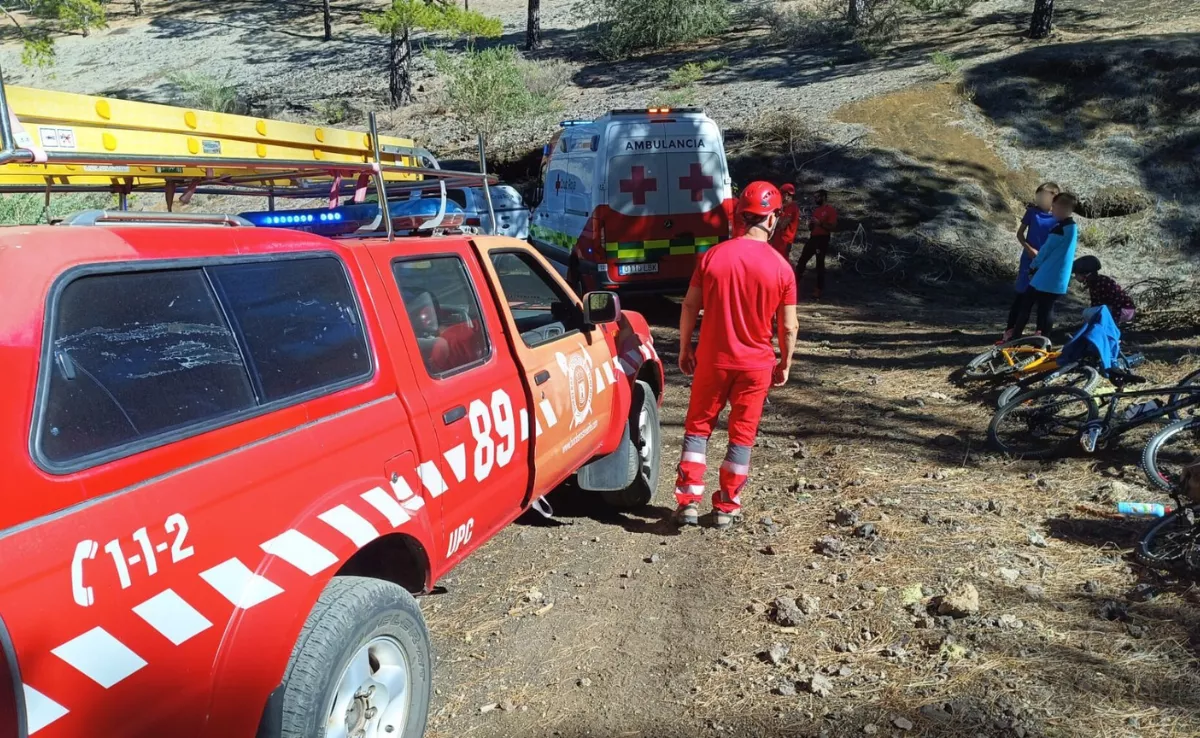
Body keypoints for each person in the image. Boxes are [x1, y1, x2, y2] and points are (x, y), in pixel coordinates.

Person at [674, 181, 799, 530]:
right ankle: (727, 505)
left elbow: (689, 305)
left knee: (698, 430)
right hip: (756, 366)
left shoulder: (713, 256)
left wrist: (685, 347)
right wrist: (785, 362)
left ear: (743, 216)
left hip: (712, 360)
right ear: (772, 219)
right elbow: (788, 327)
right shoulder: (781, 268)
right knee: (741, 436)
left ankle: (688, 501)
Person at [1010, 192, 1080, 339]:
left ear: (1061, 208)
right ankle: (1043, 339)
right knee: (1046, 308)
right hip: (1058, 279)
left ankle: (1015, 337)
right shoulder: (1072, 227)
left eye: (1054, 207)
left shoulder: (1059, 229)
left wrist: (1033, 267)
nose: (1052, 210)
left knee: (1027, 303)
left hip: (1045, 277)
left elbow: (1045, 252)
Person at [1000, 182, 1061, 343]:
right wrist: (1028, 248)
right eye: (1038, 196)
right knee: (1022, 295)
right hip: (1029, 260)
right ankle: (1010, 330)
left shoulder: (1059, 217)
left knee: (1044, 300)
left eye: (1044, 196)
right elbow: (1020, 234)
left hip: (1047, 262)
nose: (1040, 200)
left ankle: (1041, 333)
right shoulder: (1032, 213)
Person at [796, 189, 837, 300]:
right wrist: (811, 225)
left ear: (823, 197)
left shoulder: (830, 210)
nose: (815, 199)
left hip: (823, 239)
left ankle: (818, 290)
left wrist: (821, 223)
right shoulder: (816, 210)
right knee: (802, 259)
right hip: (813, 238)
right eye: (814, 197)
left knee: (819, 264)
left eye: (817, 197)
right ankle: (794, 285)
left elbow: (833, 227)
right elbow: (812, 228)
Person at [1072, 255, 1136, 324]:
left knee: (1088, 313)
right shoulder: (1095, 282)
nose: (1075, 277)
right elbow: (1096, 305)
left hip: (1125, 311)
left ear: (1085, 274)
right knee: (1089, 312)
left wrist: (1114, 322)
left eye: (1076, 274)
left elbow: (1116, 301)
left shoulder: (1101, 283)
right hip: (1121, 310)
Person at [770, 184, 801, 259]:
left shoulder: (792, 207)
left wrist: (774, 216)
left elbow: (782, 225)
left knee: (781, 260)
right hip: (779, 238)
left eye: (781, 194)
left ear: (786, 195)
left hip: (784, 240)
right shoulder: (786, 207)